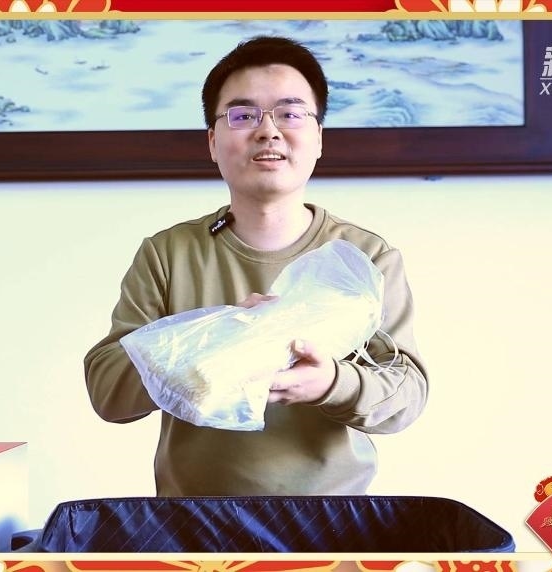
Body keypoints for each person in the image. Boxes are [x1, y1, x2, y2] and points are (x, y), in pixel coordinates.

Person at [84, 35, 428, 496]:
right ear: (213, 141)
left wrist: (332, 382)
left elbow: (405, 395)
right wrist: (213, 338)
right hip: (193, 520)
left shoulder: (365, 256)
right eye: (243, 115)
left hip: (333, 518)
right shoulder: (167, 254)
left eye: (290, 113)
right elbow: (107, 391)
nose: (268, 131)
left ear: (319, 138)